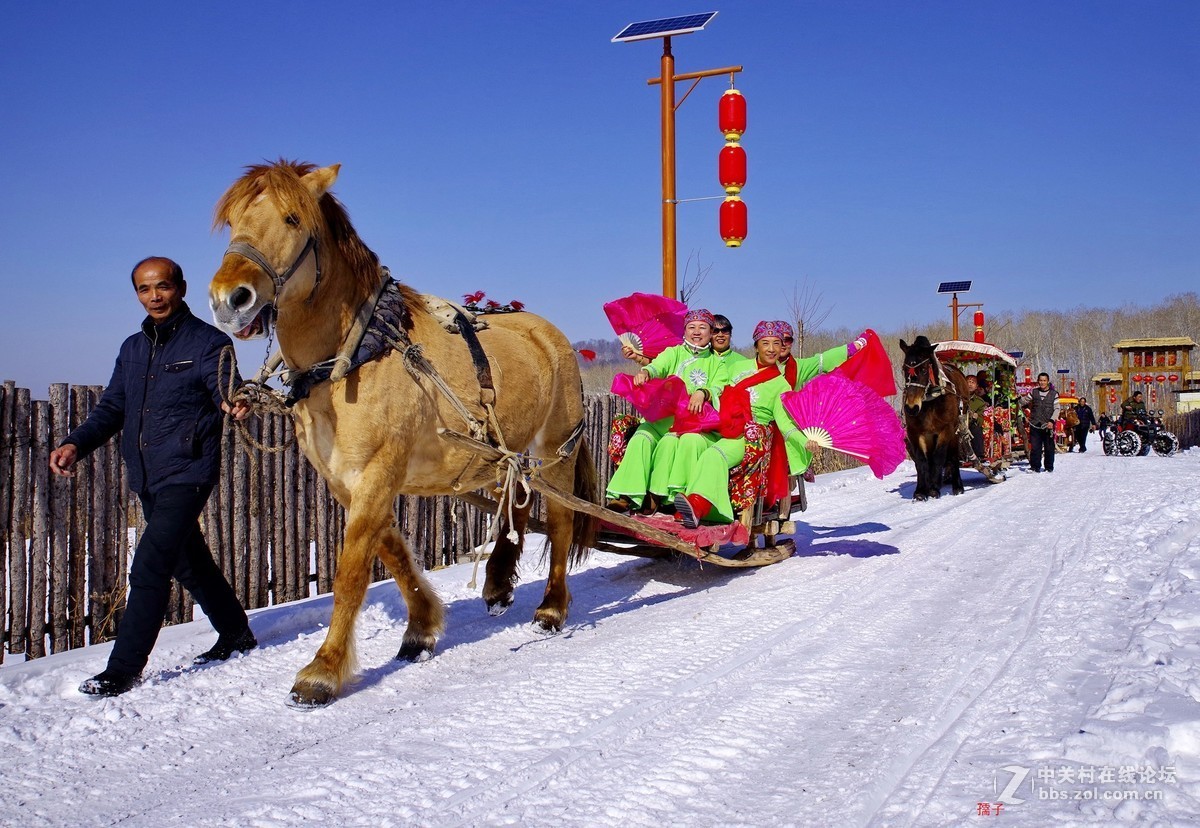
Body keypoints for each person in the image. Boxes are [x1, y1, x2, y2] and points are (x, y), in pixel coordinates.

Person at [50, 257, 256, 697]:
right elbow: (112, 409)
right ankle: (236, 632)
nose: (155, 296)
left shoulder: (208, 343)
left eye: (162, 286)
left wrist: (232, 402)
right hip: (146, 474)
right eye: (145, 290)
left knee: (149, 567)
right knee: (188, 561)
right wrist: (75, 444)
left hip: (188, 471)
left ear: (180, 287)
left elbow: (226, 388)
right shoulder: (132, 348)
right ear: (138, 295)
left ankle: (123, 669)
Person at [674, 322, 868, 528]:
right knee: (693, 444)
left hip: (750, 438)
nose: (772, 349)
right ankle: (677, 501)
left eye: (777, 343)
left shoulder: (781, 384)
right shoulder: (736, 367)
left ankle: (699, 507)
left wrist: (805, 441)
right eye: (765, 343)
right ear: (756, 346)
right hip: (725, 426)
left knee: (714, 455)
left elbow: (785, 423)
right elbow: (717, 388)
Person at [606, 309, 725, 514]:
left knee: (669, 444)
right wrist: (645, 372)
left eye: (702, 327)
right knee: (641, 438)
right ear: (685, 331)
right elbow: (658, 366)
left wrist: (703, 392)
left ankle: (656, 495)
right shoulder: (674, 352)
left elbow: (719, 386)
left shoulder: (717, 363)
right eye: (691, 327)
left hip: (689, 425)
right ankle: (626, 496)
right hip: (660, 418)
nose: (696, 332)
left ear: (711, 331)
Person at [1020, 372, 1058, 473]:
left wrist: (1052, 421)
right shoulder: (1034, 392)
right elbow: (1023, 401)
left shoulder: (1054, 394)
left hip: (1048, 424)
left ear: (1048, 381)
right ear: (1038, 381)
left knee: (1049, 447)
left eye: (1044, 380)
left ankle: (1049, 467)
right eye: (1040, 380)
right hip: (1035, 424)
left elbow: (1057, 409)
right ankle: (1035, 467)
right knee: (1035, 447)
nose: (1042, 382)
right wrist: (1015, 400)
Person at [964, 375, 986, 459]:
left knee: (976, 430)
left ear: (976, 386)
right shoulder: (957, 397)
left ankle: (979, 455)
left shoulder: (979, 402)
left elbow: (981, 420)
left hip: (970, 424)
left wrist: (975, 416)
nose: (970, 384)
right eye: (968, 382)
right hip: (957, 424)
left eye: (972, 382)